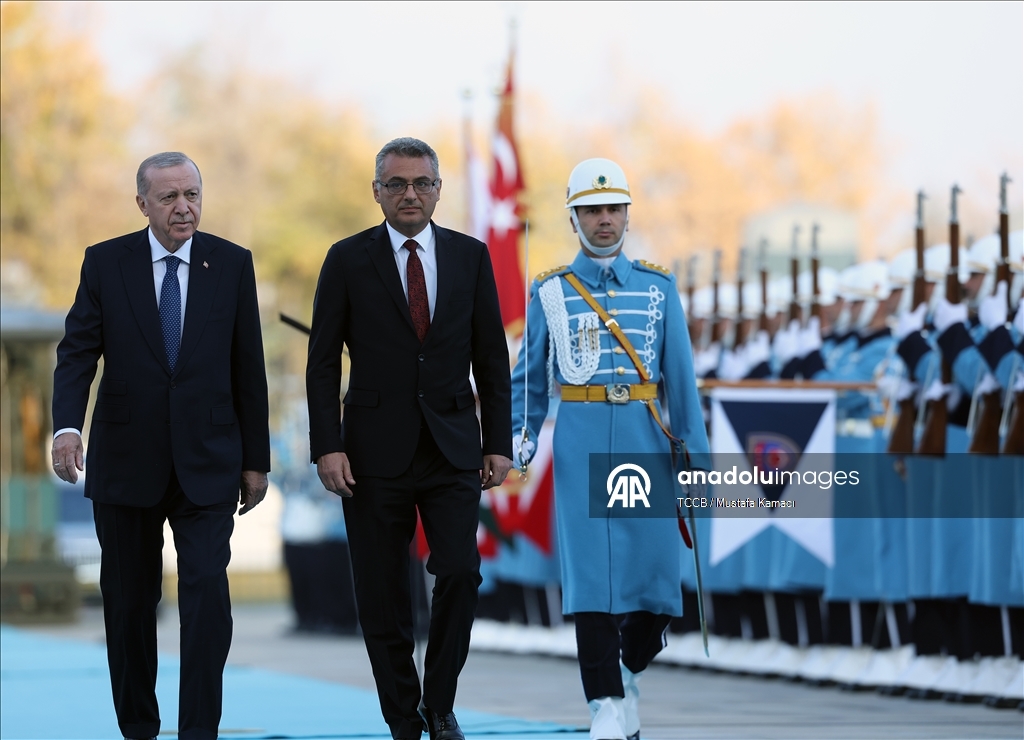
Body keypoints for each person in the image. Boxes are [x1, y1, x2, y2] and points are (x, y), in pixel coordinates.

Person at [51, 152, 271, 740]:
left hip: (209, 462)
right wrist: (67, 426)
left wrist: (257, 460)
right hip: (126, 462)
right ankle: (139, 729)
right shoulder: (105, 263)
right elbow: (76, 353)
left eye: (193, 194)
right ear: (143, 202)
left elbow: (248, 365)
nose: (185, 207)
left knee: (206, 598)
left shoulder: (230, 263)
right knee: (127, 604)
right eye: (170, 197)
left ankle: (198, 731)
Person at [305, 137, 513, 740]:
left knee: (460, 572)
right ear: (377, 192)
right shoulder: (346, 260)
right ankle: (402, 715)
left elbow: (491, 360)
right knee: (382, 593)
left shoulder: (471, 258)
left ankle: (439, 701)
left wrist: (497, 441)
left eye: (421, 183)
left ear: (438, 190)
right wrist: (328, 445)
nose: (409, 194)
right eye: (395, 184)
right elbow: (322, 363)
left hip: (453, 447)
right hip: (369, 454)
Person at [511, 158, 710, 740]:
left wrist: (695, 460)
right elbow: (528, 380)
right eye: (592, 210)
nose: (604, 220)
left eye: (613, 209)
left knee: (656, 587)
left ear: (627, 214)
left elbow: (681, 381)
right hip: (582, 439)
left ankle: (626, 671)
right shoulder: (550, 291)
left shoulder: (658, 288)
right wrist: (519, 440)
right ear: (573, 218)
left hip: (647, 441)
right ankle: (604, 704)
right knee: (592, 582)